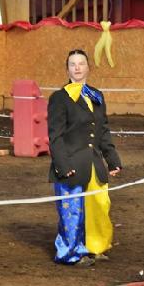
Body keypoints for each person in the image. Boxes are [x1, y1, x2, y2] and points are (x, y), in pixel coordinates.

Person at [48, 49, 122, 266]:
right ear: (67, 68)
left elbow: (103, 131)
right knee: (72, 212)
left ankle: (95, 247)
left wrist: (112, 159)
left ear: (88, 67)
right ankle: (70, 253)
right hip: (71, 165)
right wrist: (62, 165)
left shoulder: (96, 96)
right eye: (73, 64)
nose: (77, 67)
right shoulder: (59, 98)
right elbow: (55, 136)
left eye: (81, 63)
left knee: (99, 206)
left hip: (94, 164)